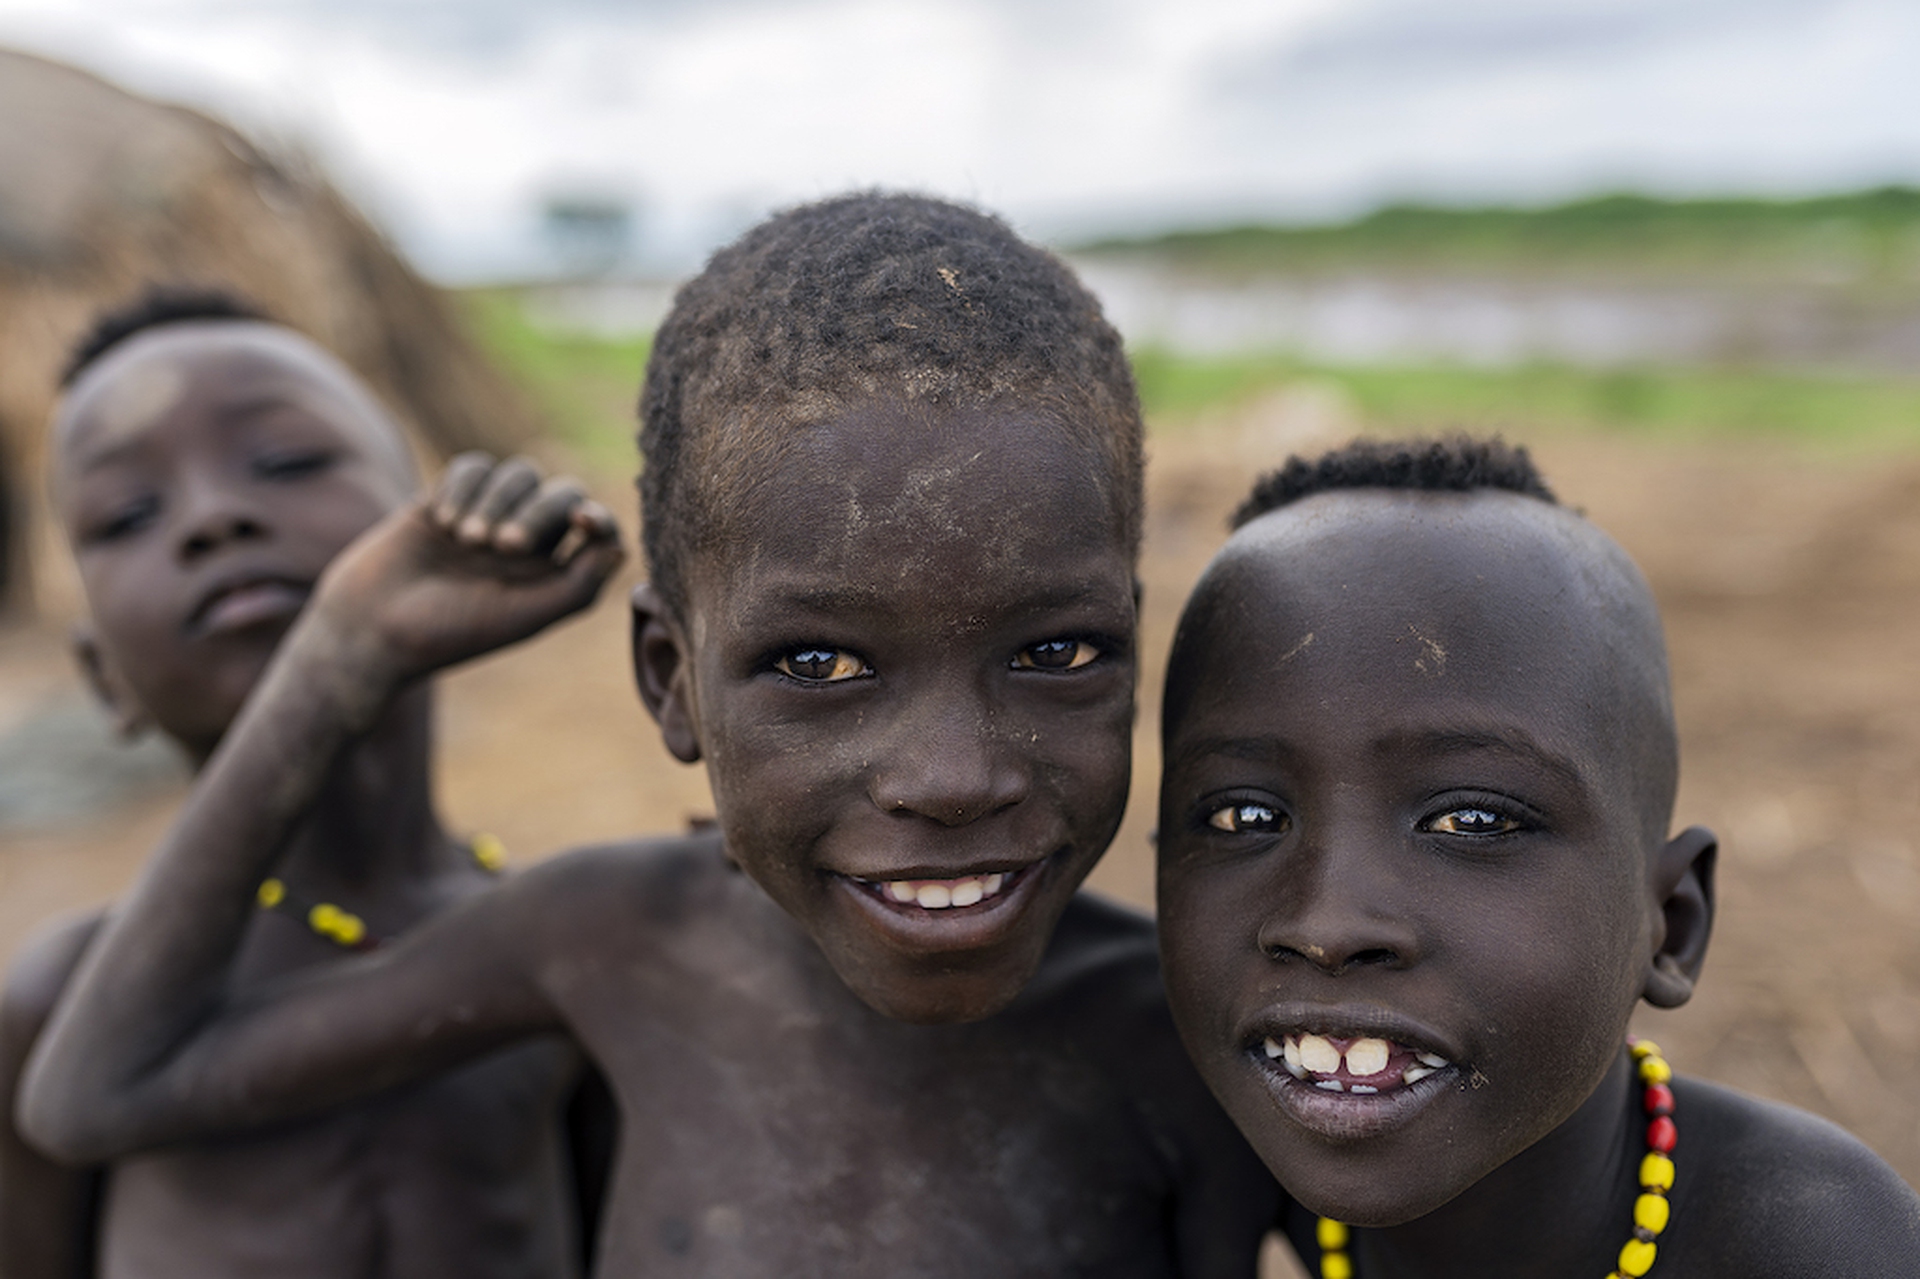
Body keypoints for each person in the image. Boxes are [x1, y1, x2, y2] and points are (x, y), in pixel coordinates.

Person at [21, 197, 1280, 1276]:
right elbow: (94, 1095)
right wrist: (339, 654)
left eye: (1054, 653)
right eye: (818, 664)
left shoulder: (1184, 1034)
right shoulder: (613, 940)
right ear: (670, 681)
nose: (951, 778)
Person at [1154, 436, 1920, 1278]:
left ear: (1671, 923)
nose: (1326, 926)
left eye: (1473, 820)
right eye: (1245, 815)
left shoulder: (1825, 1249)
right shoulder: (1159, 1138)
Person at [0, 289, 622, 1279]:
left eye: (287, 461)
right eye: (128, 514)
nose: (214, 516)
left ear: (440, 524)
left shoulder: (559, 946)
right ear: (101, 677)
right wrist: (339, 654)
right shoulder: (62, 1003)